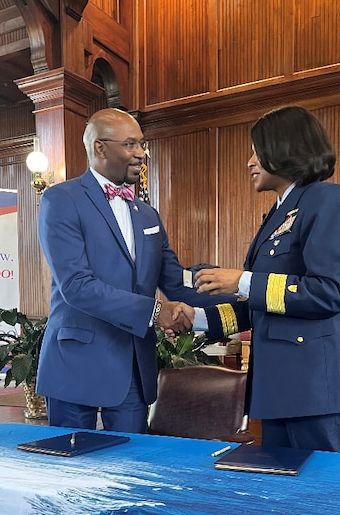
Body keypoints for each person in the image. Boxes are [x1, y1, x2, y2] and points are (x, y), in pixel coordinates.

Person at [175, 105, 340, 453]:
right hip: (281, 388)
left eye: (257, 150)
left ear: (285, 149)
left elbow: (329, 293)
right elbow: (262, 303)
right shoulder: (280, 212)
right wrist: (198, 319)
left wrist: (242, 281)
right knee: (285, 500)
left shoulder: (328, 199)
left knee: (322, 498)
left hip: (317, 389)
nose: (250, 161)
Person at [35, 107, 235, 433]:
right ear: (100, 147)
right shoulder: (61, 200)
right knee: (70, 471)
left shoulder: (148, 215)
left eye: (142, 144)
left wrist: (244, 292)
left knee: (130, 467)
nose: (141, 154)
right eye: (130, 144)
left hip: (132, 366)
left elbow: (177, 282)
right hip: (75, 363)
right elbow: (76, 285)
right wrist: (156, 312)